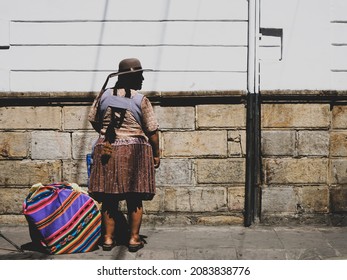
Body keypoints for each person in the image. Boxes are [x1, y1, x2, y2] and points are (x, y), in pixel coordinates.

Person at [88, 58, 160, 252]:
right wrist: (156, 154)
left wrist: (108, 134)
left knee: (109, 198)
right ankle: (134, 239)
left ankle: (108, 239)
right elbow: (152, 131)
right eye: (140, 75)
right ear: (132, 78)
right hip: (134, 152)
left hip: (107, 150)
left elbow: (94, 121)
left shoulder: (103, 96)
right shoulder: (141, 100)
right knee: (134, 197)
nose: (143, 78)